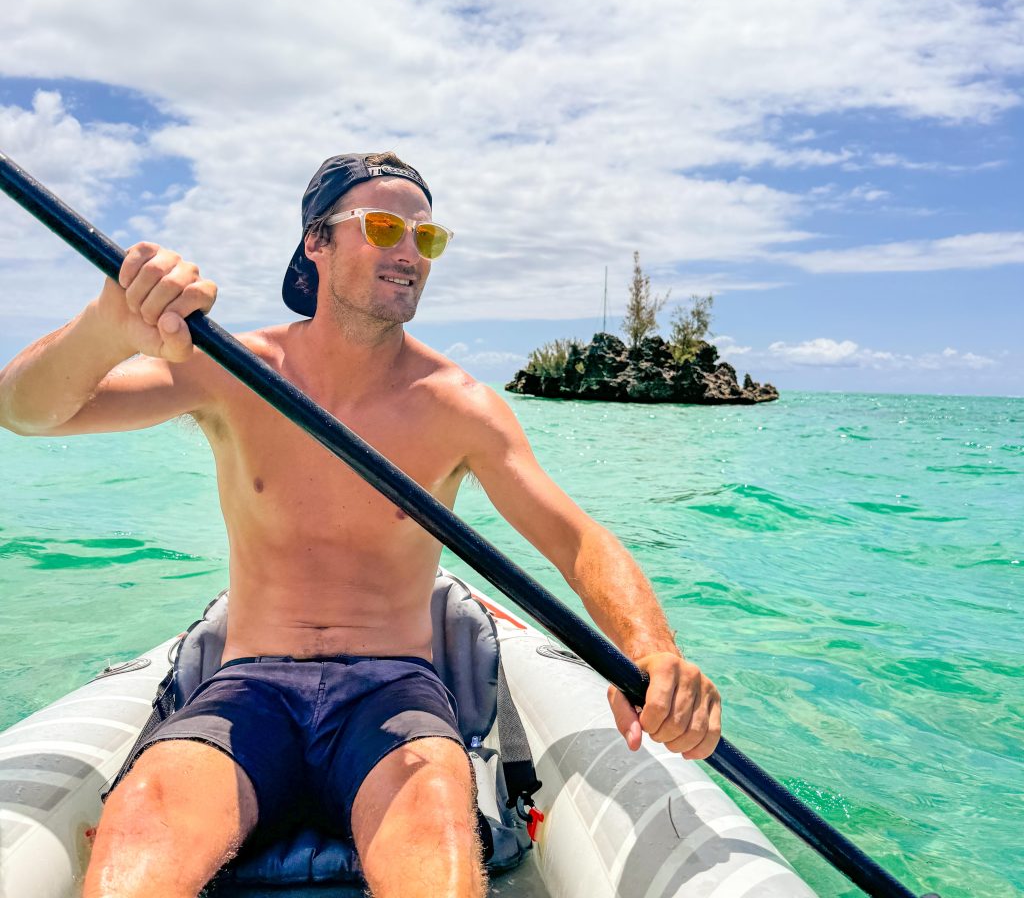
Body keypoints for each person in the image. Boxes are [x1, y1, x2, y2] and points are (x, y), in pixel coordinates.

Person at [0, 152, 721, 898]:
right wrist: (105, 327)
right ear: (316, 242)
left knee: (438, 830)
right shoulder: (234, 370)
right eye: (383, 227)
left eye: (427, 238)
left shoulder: (457, 405)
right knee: (141, 827)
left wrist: (652, 651)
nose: (410, 252)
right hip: (250, 686)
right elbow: (22, 411)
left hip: (395, 692)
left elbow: (575, 538)